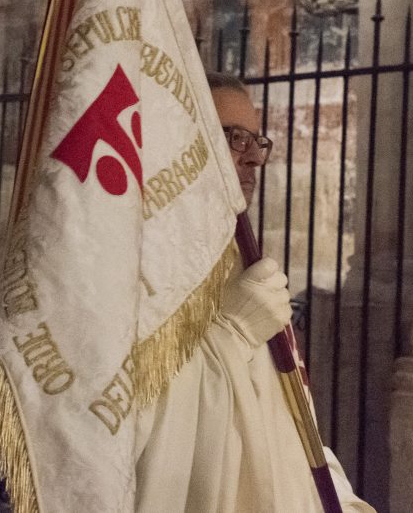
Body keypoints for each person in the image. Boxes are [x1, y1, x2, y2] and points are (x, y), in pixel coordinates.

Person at [133, 73, 373, 511]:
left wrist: (336, 498)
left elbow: (285, 416)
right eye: (233, 137)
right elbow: (125, 426)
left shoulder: (236, 255)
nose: (253, 158)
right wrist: (236, 331)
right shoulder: (141, 262)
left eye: (257, 141)